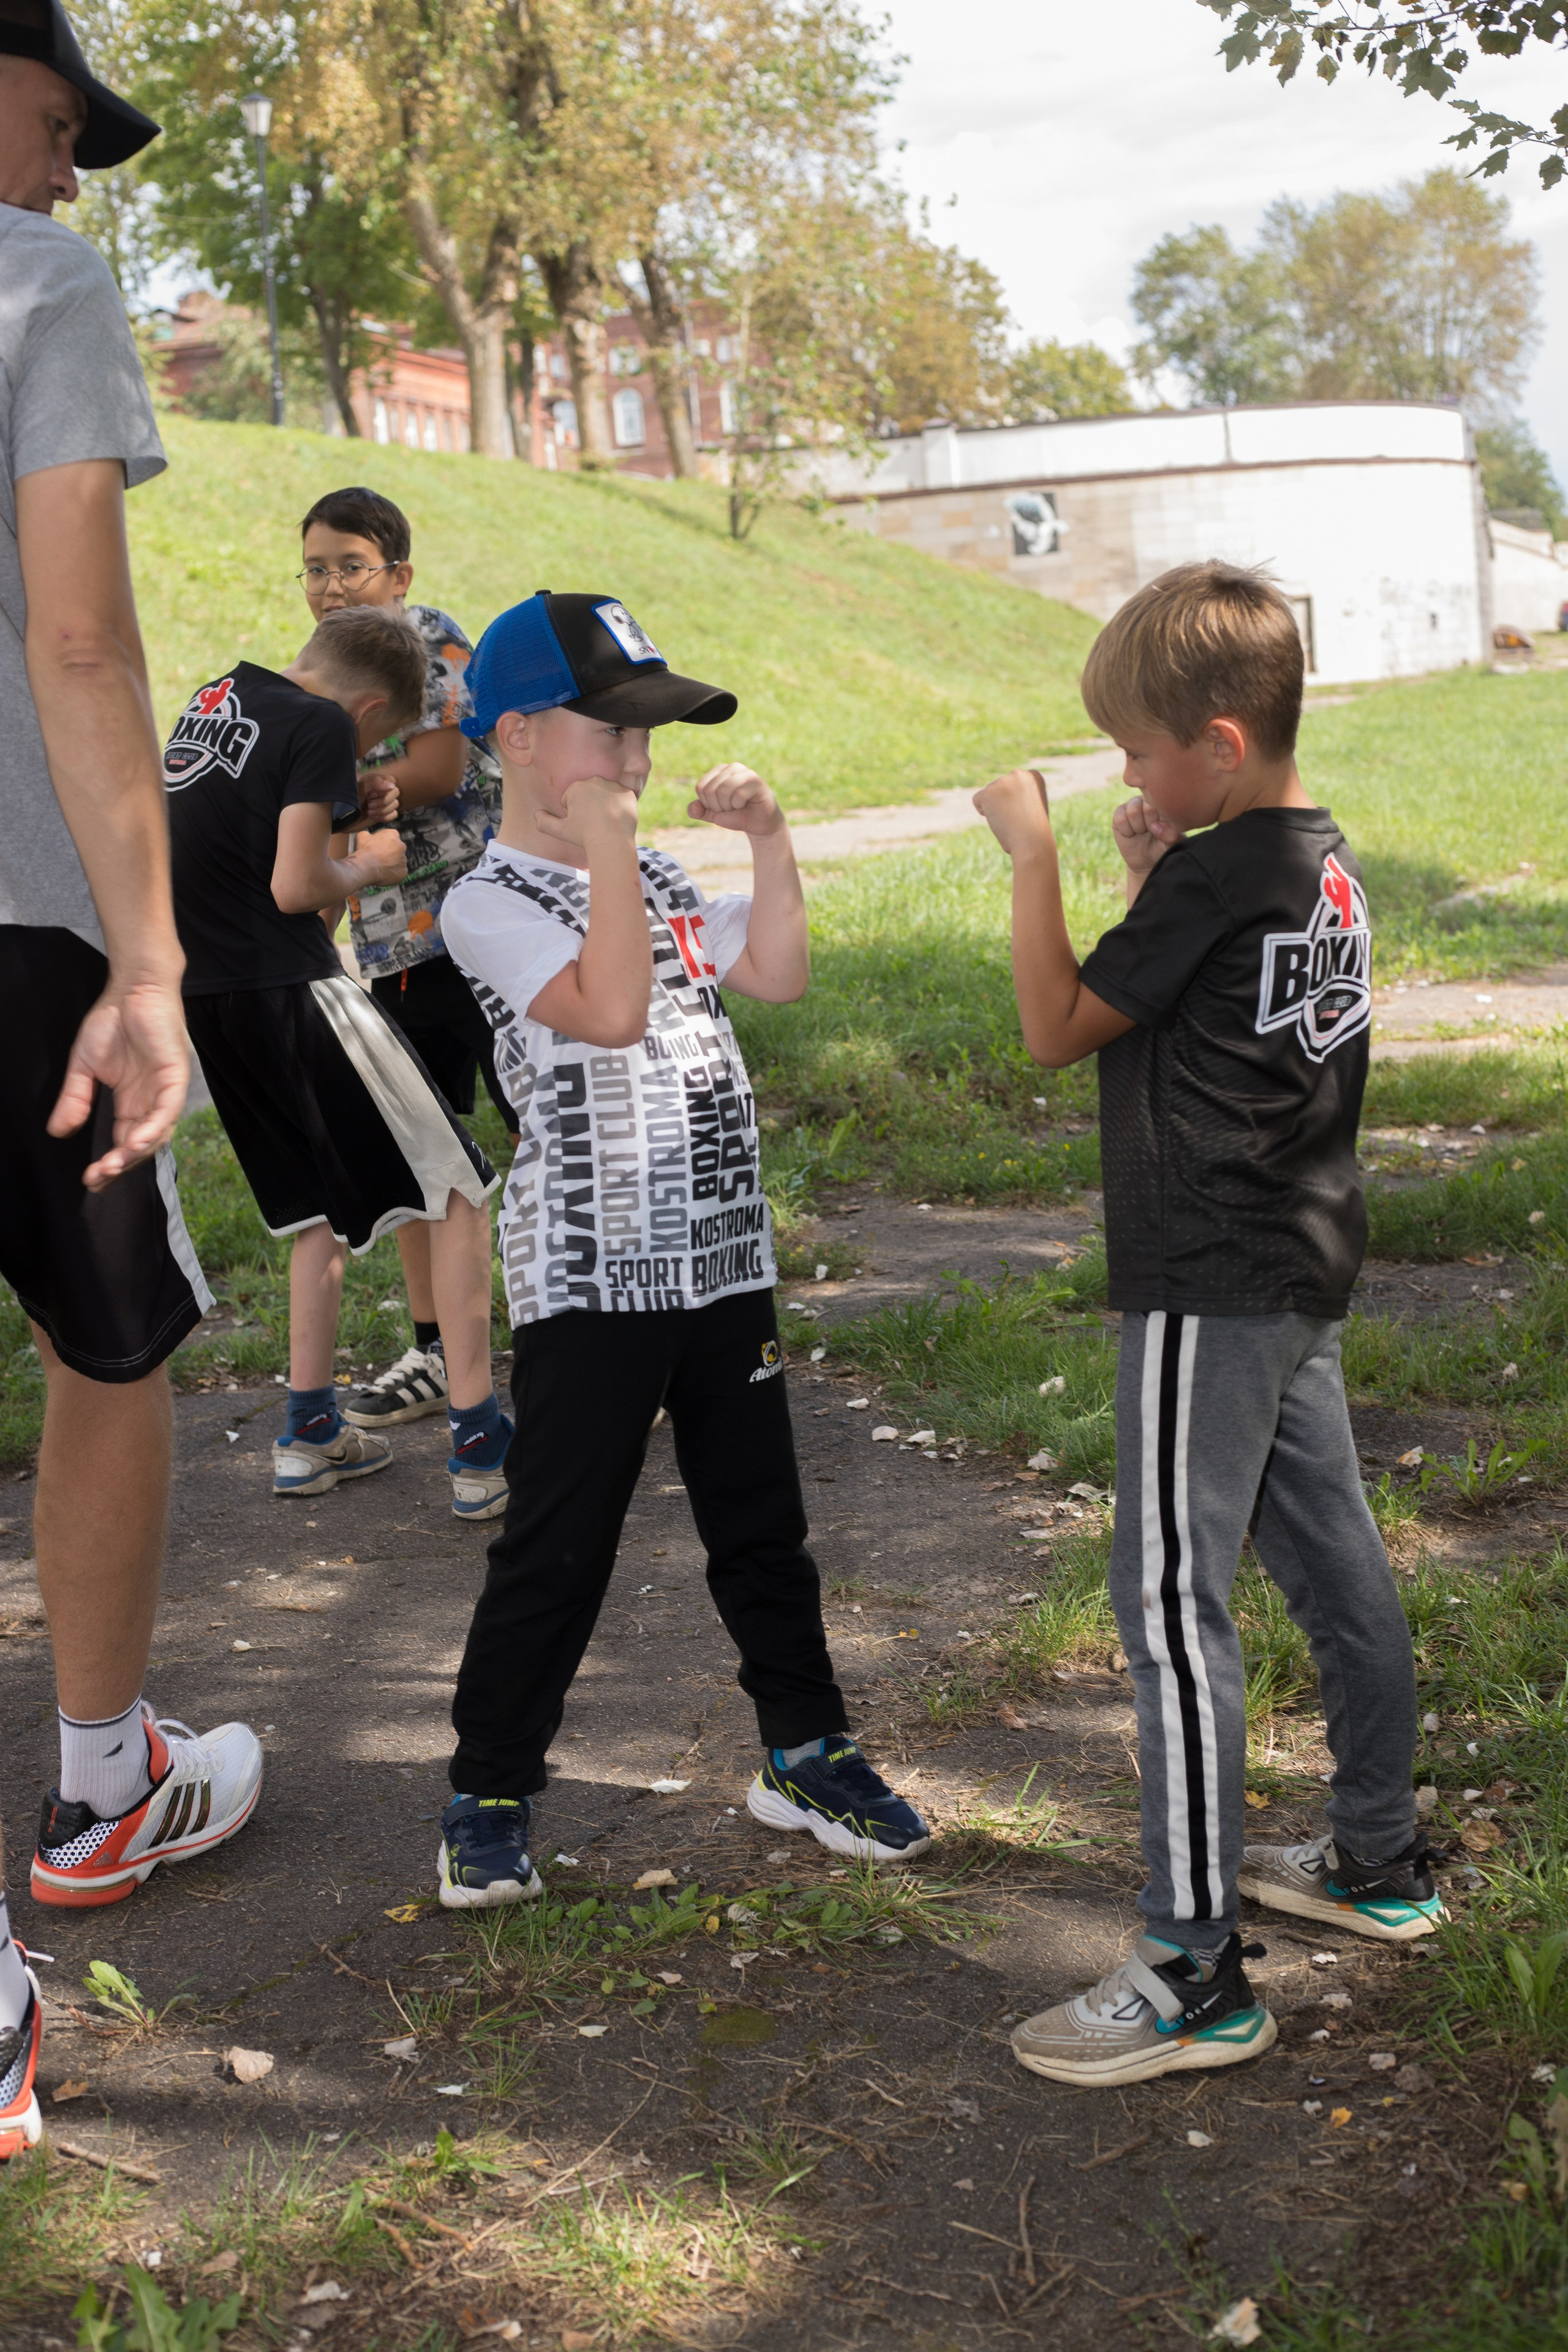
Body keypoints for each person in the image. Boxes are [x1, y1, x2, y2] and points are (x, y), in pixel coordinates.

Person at [975, 562, 1441, 2090]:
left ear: (1220, 746)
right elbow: (1196, 1014)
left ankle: (1189, 1971)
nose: (1124, 769)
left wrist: (1033, 857)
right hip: (1295, 1262)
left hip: (1204, 1278)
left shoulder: (1214, 874)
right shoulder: (1311, 859)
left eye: (1139, 749)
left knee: (1170, 1609)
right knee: (1335, 1562)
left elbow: (1055, 1028)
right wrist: (1150, 871)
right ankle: (1375, 1857)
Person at [431, 590, 931, 1907]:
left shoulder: (652, 875)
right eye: (612, 733)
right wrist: (609, 850)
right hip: (593, 1275)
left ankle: (806, 1752)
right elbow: (606, 1008)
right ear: (520, 737)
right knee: (559, 1540)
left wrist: (768, 841)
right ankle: (489, 1787)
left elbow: (776, 973)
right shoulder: (484, 903)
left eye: (648, 736)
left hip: (718, 1255)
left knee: (761, 1521)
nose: (638, 762)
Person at [0, 1, 262, 2164]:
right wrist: (155, 964)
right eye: (57, 116)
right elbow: (80, 641)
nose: (73, 165)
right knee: (111, 1343)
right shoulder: (35, 281)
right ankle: (101, 1786)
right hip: (18, 935)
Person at [163, 604, 509, 1517]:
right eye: (374, 741)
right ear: (368, 711)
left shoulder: (218, 699)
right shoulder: (322, 721)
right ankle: (482, 1445)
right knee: (460, 1190)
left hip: (213, 1000)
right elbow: (299, 889)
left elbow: (257, 863)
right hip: (294, 992)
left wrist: (352, 811)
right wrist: (373, 864)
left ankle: (309, 1432)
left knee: (317, 1209)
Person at [292, 486, 511, 1437]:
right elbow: (325, 832)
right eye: (315, 569)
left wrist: (337, 785)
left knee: (539, 1125)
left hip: (480, 933)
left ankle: (591, 1328)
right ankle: (436, 1350)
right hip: (393, 950)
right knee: (426, 1151)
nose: (332, 585)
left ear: (399, 574)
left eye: (351, 565)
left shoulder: (427, 636)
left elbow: (440, 767)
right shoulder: (325, 673)